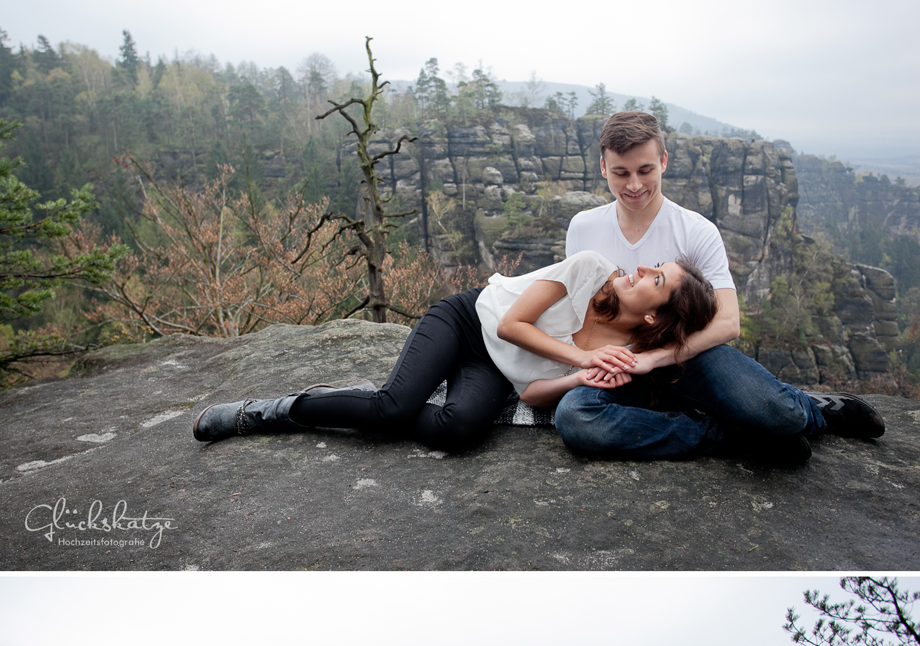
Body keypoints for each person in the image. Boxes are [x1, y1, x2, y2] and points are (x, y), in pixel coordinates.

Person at [556, 111, 886, 464]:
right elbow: (576, 311)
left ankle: (814, 408)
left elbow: (729, 322)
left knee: (780, 414)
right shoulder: (583, 228)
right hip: (619, 366)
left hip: (690, 356)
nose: (634, 185)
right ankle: (735, 437)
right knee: (576, 418)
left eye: (645, 170)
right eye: (621, 173)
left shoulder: (696, 231)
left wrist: (654, 357)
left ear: (664, 161)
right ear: (604, 168)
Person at [192, 249, 716, 454]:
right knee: (391, 409)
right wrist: (581, 360)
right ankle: (271, 412)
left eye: (657, 278)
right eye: (655, 265)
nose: (644, 267)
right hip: (468, 321)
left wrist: (576, 383)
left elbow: (532, 392)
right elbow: (511, 325)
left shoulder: (624, 350)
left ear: (654, 316)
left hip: (492, 367)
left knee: (460, 432)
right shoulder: (589, 269)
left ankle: (396, 394)